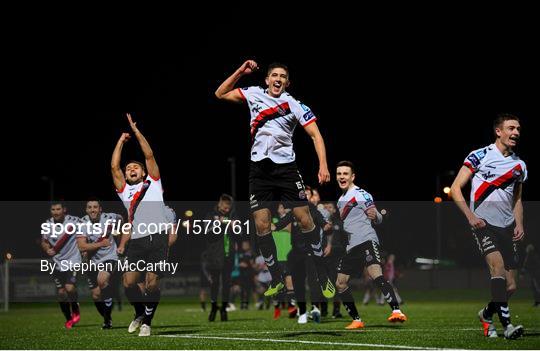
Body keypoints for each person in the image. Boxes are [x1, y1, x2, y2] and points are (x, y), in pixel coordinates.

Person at [215, 60, 334, 299]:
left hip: (287, 170)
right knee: (261, 225)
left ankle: (322, 273)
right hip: (260, 171)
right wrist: (240, 70)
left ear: (287, 83)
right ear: (267, 80)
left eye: (282, 76)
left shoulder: (294, 104)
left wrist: (323, 165)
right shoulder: (253, 94)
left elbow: (316, 135)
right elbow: (220, 93)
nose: (278, 79)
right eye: (274, 75)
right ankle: (277, 278)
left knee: (305, 220)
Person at [450, 113, 527, 340]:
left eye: (518, 129)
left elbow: (517, 200)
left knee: (511, 286)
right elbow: (455, 189)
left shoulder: (519, 165)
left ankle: (486, 314)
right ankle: (508, 326)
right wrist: (470, 216)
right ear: (498, 131)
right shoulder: (479, 156)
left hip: (507, 227)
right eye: (511, 128)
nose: (516, 133)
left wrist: (519, 223)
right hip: (483, 224)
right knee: (498, 271)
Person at [111, 113, 170, 337]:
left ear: (143, 172)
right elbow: (114, 167)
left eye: (135, 167)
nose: (131, 169)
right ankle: (138, 313)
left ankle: (147, 321)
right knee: (128, 283)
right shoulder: (125, 191)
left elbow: (149, 154)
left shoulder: (153, 182)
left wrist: (136, 132)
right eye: (129, 169)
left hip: (158, 237)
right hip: (136, 240)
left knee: (152, 284)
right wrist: (120, 141)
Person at [335, 161, 406, 329]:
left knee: (376, 275)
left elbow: (376, 216)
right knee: (340, 283)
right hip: (351, 247)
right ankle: (357, 320)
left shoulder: (361, 194)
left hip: (367, 240)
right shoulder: (340, 200)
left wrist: (377, 216)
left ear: (352, 176)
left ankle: (396, 311)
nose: (342, 177)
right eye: (339, 174)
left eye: (345, 173)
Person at [76, 199, 123, 329]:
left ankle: (107, 319)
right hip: (92, 261)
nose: (92, 210)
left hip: (110, 257)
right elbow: (81, 246)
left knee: (102, 280)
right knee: (96, 295)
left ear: (100, 209)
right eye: (89, 207)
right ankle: (107, 318)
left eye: (95, 207)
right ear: (86, 210)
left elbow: (121, 219)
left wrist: (120, 241)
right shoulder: (82, 222)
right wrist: (100, 244)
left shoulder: (110, 218)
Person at [40, 202, 82, 329]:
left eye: (58, 209)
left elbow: (86, 231)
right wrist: (47, 249)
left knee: (69, 288)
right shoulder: (47, 224)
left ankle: (75, 307)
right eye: (53, 209)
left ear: (64, 210)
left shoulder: (74, 221)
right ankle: (69, 319)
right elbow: (44, 241)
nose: (56, 212)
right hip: (57, 263)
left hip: (73, 260)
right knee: (61, 294)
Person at [203, 194, 242, 322]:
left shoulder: (233, 215)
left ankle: (224, 309)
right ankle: (214, 307)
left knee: (227, 283)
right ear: (220, 204)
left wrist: (234, 226)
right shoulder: (211, 214)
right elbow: (207, 232)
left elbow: (240, 232)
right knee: (214, 283)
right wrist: (218, 223)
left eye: (228, 208)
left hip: (229, 254)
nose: (227, 210)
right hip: (214, 255)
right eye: (225, 207)